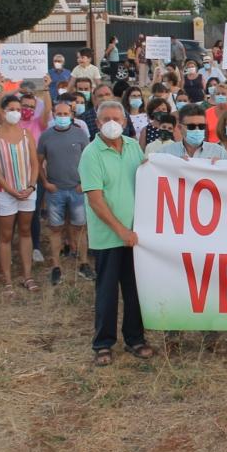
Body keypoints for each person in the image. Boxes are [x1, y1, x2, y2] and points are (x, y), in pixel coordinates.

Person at [77, 100, 156, 366]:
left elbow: (151, 177)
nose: (112, 123)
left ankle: (136, 338)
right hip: (109, 236)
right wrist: (120, 230)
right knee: (107, 291)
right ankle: (103, 343)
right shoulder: (91, 153)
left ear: (125, 122)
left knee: (136, 290)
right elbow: (96, 199)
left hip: (136, 236)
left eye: (117, 118)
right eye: (106, 119)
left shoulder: (133, 146)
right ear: (97, 124)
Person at [0, 94, 40, 293]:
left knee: (25, 232)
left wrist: (31, 186)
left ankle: (27, 275)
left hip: (27, 191)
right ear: (2, 111)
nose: (16, 113)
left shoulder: (27, 135)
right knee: (6, 236)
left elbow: (35, 163)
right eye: (12, 109)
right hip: (5, 192)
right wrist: (10, 190)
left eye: (18, 109)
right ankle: (7, 279)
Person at [38, 99, 92, 285]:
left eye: (65, 114)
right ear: (53, 115)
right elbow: (38, 162)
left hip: (77, 189)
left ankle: (84, 263)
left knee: (80, 228)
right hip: (55, 190)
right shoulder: (46, 136)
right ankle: (56, 266)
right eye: (59, 114)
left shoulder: (80, 134)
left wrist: (83, 183)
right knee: (55, 229)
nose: (62, 117)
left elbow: (88, 161)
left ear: (72, 115)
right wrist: (45, 183)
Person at [159, 104, 227, 160]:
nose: (197, 130)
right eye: (191, 126)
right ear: (180, 128)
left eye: (201, 126)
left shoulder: (219, 152)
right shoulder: (165, 153)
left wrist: (220, 166)